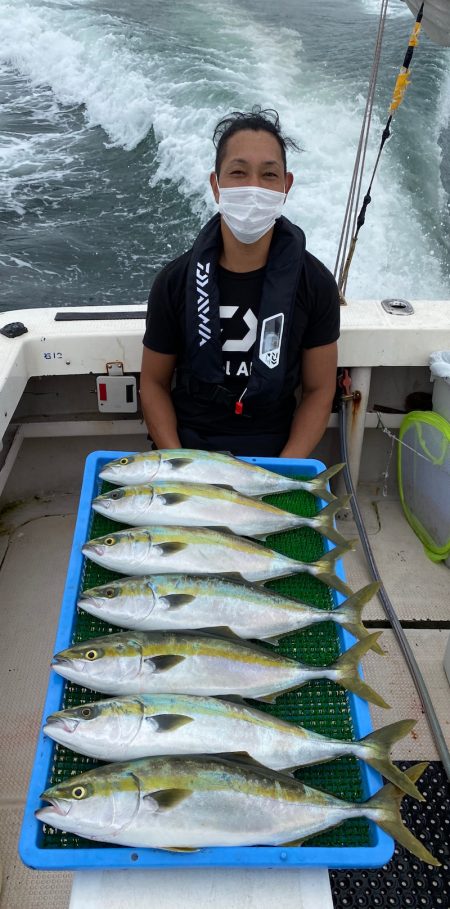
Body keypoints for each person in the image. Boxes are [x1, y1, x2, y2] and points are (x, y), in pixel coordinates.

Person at [140, 106, 340, 458]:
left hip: (274, 451)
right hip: (190, 448)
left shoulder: (315, 283)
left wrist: (285, 469)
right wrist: (178, 461)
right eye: (237, 173)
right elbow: (154, 383)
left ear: (285, 186)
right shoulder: (174, 282)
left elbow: (319, 390)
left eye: (268, 175)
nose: (253, 189)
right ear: (216, 186)